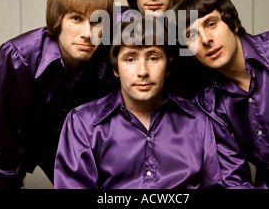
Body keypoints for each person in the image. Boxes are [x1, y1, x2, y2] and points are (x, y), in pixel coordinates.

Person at [54, 16, 253, 189]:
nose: (142, 71)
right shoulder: (82, 123)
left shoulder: (199, 120)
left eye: (153, 57)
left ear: (168, 66)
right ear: (115, 69)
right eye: (130, 59)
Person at [0, 0, 117, 189]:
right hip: (22, 140)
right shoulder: (18, 57)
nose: (88, 33)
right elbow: (3, 136)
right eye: (76, 18)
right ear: (57, 20)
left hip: (71, 145)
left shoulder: (108, 58)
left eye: (97, 22)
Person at [176, 0, 269, 188]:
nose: (205, 39)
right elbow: (232, 180)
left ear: (232, 23)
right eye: (192, 35)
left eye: (211, 24)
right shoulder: (208, 105)